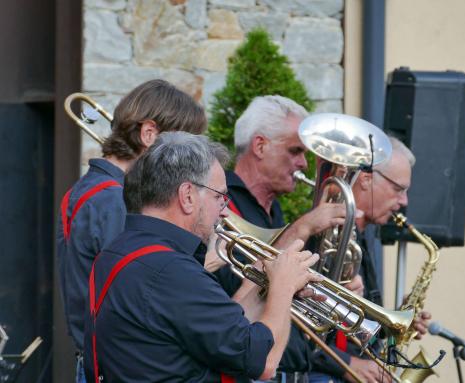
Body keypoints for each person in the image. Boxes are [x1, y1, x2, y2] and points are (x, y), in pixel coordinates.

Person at [83, 132, 322, 382]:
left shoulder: (120, 252)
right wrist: (284, 288)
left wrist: (262, 283)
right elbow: (263, 363)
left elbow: (226, 334)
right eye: (219, 196)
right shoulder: (171, 270)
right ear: (187, 196)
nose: (225, 213)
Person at [56, 79, 207, 382]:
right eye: (185, 144)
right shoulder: (114, 199)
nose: (194, 159)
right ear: (149, 134)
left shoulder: (92, 189)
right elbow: (141, 286)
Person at [219, 95, 360, 383]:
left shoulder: (276, 212)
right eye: (295, 151)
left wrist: (336, 291)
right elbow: (246, 290)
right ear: (260, 146)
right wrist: (301, 228)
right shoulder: (223, 206)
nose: (304, 164)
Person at [310, 137, 432, 383]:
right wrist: (349, 364)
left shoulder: (362, 237)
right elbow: (301, 329)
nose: (404, 202)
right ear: (366, 180)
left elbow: (356, 326)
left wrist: (395, 323)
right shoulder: (322, 235)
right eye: (399, 189)